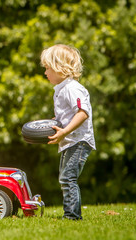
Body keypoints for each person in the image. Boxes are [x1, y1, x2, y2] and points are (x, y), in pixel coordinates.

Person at [40, 44, 96, 220]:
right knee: (65, 178)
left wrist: (64, 131)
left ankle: (72, 216)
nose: (45, 72)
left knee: (67, 178)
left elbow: (83, 113)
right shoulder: (63, 89)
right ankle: (71, 214)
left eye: (47, 68)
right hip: (70, 141)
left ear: (59, 68)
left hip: (78, 141)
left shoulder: (72, 88)